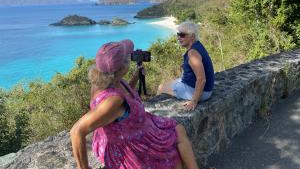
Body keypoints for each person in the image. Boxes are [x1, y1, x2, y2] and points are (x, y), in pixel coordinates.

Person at [70, 39, 199, 169]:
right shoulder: (112, 100)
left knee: (178, 130)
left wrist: (135, 77)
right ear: (122, 67)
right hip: (131, 143)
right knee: (174, 158)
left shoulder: (109, 81)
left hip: (137, 128)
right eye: (128, 56)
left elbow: (125, 104)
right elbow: (76, 131)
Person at [157, 21, 215, 111]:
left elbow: (201, 79)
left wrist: (194, 101)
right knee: (170, 83)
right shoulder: (197, 45)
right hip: (202, 88)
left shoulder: (192, 53)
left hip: (201, 92)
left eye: (182, 35)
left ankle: (159, 115)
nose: (178, 38)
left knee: (161, 87)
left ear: (192, 36)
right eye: (178, 34)